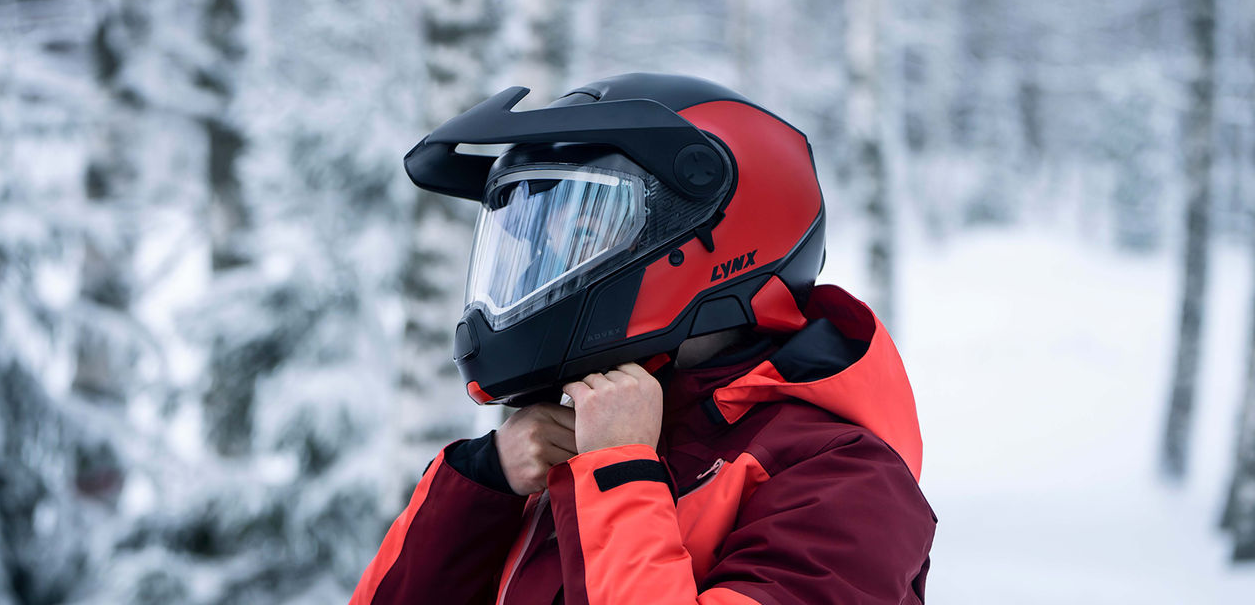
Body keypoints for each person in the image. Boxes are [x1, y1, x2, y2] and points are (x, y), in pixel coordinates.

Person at [350, 73, 936, 605]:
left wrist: (619, 472)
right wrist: (484, 483)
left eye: (583, 232)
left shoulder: (845, 482)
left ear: (718, 241)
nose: (550, 267)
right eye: (538, 244)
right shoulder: (566, 443)